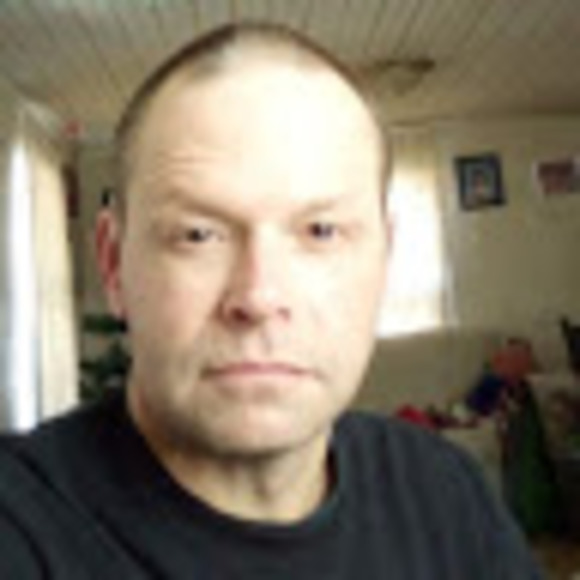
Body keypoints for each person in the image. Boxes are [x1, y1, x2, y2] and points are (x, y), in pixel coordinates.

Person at [0, 22, 544, 579]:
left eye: (321, 231)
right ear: (114, 263)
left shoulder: (448, 494)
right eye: (197, 235)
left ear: (384, 260)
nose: (259, 297)